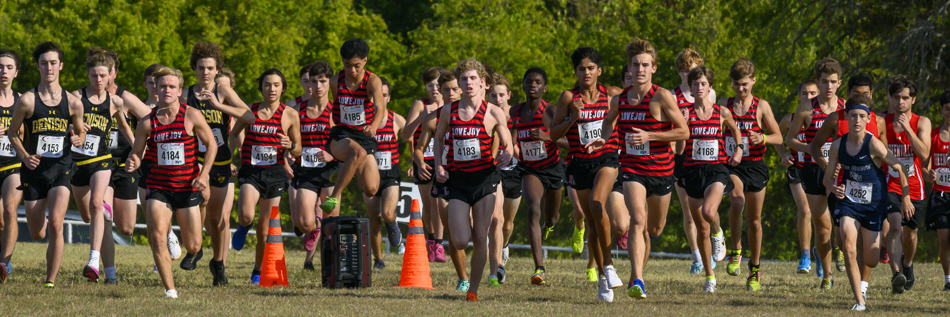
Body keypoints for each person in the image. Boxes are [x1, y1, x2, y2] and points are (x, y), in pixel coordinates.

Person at [601, 38, 688, 299]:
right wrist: (603, 140)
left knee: (655, 229)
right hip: (632, 169)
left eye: (645, 65)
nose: (639, 69)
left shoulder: (662, 96)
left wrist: (651, 136)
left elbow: (684, 130)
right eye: (635, 65)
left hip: (662, 170)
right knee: (636, 220)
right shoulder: (620, 100)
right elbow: (608, 122)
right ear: (629, 68)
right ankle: (637, 279)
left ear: (654, 68)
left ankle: (636, 275)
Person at [125, 66, 216, 298]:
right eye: (162, 86)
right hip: (158, 187)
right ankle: (170, 290)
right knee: (157, 235)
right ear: (155, 89)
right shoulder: (146, 122)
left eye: (171, 86)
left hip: (186, 187)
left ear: (179, 91)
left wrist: (204, 174)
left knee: (194, 245)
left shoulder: (192, 115)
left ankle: (194, 251)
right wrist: (133, 161)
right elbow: (137, 152)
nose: (166, 90)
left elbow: (212, 145)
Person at [433, 58, 513, 301]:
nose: (468, 83)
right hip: (458, 180)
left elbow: (508, 142)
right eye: (464, 79)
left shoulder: (493, 112)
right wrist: (438, 164)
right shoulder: (449, 110)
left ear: (483, 83)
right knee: (458, 240)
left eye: (472, 79)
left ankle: (473, 290)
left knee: (480, 236)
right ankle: (469, 280)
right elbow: (437, 139)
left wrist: (507, 153)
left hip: (484, 180)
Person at [7, 42, 86, 288]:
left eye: (53, 63)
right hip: (34, 171)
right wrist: (23, 156)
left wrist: (77, 138)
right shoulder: (27, 101)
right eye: (44, 63)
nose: (49, 68)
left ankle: (50, 280)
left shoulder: (73, 102)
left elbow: (82, 134)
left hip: (61, 167)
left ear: (60, 66)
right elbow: (12, 134)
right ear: (38, 66)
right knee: (36, 232)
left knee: (56, 223)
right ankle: (39, 234)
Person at [823, 95, 912, 311]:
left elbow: (899, 166)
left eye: (862, 116)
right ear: (846, 116)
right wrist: (834, 188)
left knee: (871, 259)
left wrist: (906, 196)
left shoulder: (874, 144)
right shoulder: (837, 146)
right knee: (849, 245)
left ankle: (874, 257)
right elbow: (827, 178)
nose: (857, 120)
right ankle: (859, 301)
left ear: (868, 118)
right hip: (849, 203)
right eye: (853, 116)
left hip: (873, 205)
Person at [549, 47, 624, 302]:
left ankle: (610, 265)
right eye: (581, 69)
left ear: (599, 71)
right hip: (578, 163)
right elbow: (553, 134)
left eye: (591, 68)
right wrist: (573, 117)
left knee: (596, 203)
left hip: (606, 159)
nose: (586, 72)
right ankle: (602, 276)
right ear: (576, 72)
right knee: (592, 224)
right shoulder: (568, 97)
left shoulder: (613, 95)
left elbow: (635, 113)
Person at [182, 42, 250, 287]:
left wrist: (219, 106)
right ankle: (195, 248)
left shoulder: (222, 89)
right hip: (194, 161)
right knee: (200, 202)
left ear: (218, 69)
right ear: (194, 68)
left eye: (210, 68)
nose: (205, 73)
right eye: (201, 68)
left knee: (216, 219)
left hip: (220, 160)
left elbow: (249, 115)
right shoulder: (186, 93)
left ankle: (218, 264)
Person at [808, 73, 885, 277]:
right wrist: (828, 168)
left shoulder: (879, 121)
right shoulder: (836, 118)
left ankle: (862, 285)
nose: (861, 99)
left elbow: (884, 157)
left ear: (872, 96)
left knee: (864, 243)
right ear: (848, 95)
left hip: (869, 189)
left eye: (865, 95)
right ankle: (834, 252)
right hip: (842, 186)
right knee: (843, 240)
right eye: (856, 94)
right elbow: (815, 146)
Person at [719, 58, 784, 291]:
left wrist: (763, 138)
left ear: (753, 81)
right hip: (732, 166)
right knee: (737, 201)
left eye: (745, 84)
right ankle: (736, 250)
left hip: (755, 166)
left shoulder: (762, 106)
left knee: (754, 221)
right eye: (736, 84)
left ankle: (754, 269)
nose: (741, 89)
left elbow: (779, 136)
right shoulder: (723, 105)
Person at [677, 65, 743, 293]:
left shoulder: (721, 112)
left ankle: (719, 231)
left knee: (708, 213)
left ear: (710, 86)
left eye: (703, 83)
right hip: (693, 171)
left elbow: (736, 130)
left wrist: (739, 150)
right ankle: (710, 276)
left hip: (717, 169)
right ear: (690, 87)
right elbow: (678, 149)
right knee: (700, 229)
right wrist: (682, 126)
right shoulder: (683, 111)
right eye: (695, 84)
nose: (699, 87)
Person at [69, 51, 133, 282]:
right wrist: (71, 130)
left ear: (109, 77)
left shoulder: (115, 101)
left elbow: (125, 127)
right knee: (88, 216)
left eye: (102, 75)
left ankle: (93, 260)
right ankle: (102, 213)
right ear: (87, 75)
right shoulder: (75, 98)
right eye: (94, 75)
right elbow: (61, 122)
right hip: (78, 163)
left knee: (97, 203)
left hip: (102, 161)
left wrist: (138, 151)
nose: (98, 79)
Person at [230, 68, 298, 284]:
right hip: (251, 172)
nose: (272, 89)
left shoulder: (290, 114)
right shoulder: (250, 111)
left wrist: (291, 145)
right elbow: (234, 133)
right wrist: (232, 157)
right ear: (261, 88)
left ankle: (257, 271)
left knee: (265, 229)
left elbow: (298, 148)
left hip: (275, 173)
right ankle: (242, 226)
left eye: (276, 85)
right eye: (267, 84)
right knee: (247, 215)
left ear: (283, 88)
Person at [96, 48, 157, 283]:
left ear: (113, 73)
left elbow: (152, 119)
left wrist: (139, 145)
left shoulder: (126, 97)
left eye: (107, 72)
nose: (102, 77)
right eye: (97, 72)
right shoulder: (83, 97)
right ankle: (108, 273)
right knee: (102, 215)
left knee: (127, 228)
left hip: (125, 164)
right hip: (99, 163)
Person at [786, 57, 847, 289]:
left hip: (841, 171)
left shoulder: (846, 108)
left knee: (843, 224)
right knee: (823, 229)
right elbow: (789, 139)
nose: (828, 86)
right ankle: (827, 275)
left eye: (833, 82)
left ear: (839, 83)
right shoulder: (806, 108)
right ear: (818, 83)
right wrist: (811, 149)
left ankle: (843, 255)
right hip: (814, 171)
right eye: (824, 82)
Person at [508, 67, 565, 286]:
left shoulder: (551, 111)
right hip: (530, 170)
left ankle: (548, 227)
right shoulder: (515, 112)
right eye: (529, 81)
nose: (533, 85)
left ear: (544, 87)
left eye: (538, 82)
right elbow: (511, 137)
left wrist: (547, 136)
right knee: (533, 209)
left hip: (553, 168)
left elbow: (571, 143)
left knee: (551, 218)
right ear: (523, 85)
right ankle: (539, 267)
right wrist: (507, 148)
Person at [414, 70, 470, 290]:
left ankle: (491, 270)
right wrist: (421, 163)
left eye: (455, 89)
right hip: (446, 179)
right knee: (454, 234)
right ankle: (463, 278)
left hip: (472, 178)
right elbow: (419, 149)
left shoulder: (473, 114)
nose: (450, 93)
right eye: (446, 89)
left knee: (475, 228)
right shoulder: (433, 118)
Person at [319, 38, 387, 214]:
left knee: (371, 190)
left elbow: (380, 108)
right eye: (348, 65)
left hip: (365, 135)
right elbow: (334, 108)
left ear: (365, 60)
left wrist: (373, 126)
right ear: (342, 62)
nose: (352, 70)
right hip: (342, 134)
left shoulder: (373, 81)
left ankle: (349, 167)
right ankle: (333, 198)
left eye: (357, 65)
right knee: (358, 153)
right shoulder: (335, 81)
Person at [881, 75, 930, 294]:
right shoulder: (881, 121)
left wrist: (908, 130)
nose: (900, 102)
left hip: (914, 185)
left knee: (910, 235)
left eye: (905, 98)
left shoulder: (922, 122)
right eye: (896, 97)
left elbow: (925, 155)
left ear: (913, 100)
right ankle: (896, 274)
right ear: (889, 99)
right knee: (894, 226)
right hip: (889, 183)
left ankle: (907, 265)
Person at [671, 48, 716, 274]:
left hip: (708, 159)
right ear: (680, 72)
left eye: (696, 71)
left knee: (709, 209)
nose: (692, 77)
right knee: (689, 211)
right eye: (687, 71)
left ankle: (716, 238)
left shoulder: (711, 93)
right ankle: (697, 256)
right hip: (683, 158)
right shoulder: (672, 97)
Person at [292, 61, 337, 270]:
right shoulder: (298, 109)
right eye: (313, 81)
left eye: (322, 81)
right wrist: (289, 154)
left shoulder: (336, 110)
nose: (318, 86)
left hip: (332, 173)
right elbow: (291, 140)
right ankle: (316, 224)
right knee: (304, 223)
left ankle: (330, 264)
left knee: (332, 220)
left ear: (330, 83)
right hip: (307, 172)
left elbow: (349, 142)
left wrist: (332, 154)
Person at [402, 67, 444, 263]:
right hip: (423, 159)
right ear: (425, 87)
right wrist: (422, 116)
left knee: (441, 202)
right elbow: (405, 135)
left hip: (444, 159)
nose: (434, 89)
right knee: (429, 204)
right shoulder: (420, 104)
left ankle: (440, 244)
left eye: (437, 85)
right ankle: (431, 239)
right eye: (430, 85)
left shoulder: (449, 103)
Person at [779, 80, 819, 274]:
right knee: (804, 210)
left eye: (813, 93)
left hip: (818, 169)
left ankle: (821, 251)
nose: (808, 97)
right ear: (799, 96)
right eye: (805, 93)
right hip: (797, 169)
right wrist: (783, 155)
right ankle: (805, 256)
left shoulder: (825, 119)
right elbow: (777, 136)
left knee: (822, 215)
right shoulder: (790, 119)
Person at [364, 77, 404, 270]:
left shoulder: (396, 119)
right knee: (374, 219)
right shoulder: (363, 120)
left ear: (388, 98)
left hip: (390, 173)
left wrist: (415, 159)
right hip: (369, 174)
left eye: (383, 95)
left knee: (387, 214)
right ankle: (378, 260)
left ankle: (393, 224)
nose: (377, 99)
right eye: (372, 95)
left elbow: (411, 136)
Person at [488, 72, 524, 284]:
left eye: (501, 95)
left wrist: (513, 150)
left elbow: (520, 145)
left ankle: (504, 245)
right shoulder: (485, 115)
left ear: (509, 95)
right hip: (494, 172)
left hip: (515, 171)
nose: (498, 99)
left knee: (508, 224)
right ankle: (498, 265)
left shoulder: (516, 116)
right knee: (497, 218)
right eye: (493, 95)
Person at [923, 91, 950, 292]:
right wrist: (928, 175)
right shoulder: (933, 135)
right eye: (947, 109)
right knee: (944, 238)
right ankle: (948, 279)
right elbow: (924, 166)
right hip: (940, 195)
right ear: (941, 110)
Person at [0, 48, 21, 283]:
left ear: (16, 72)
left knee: (10, 211)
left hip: (14, 165)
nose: (3, 71)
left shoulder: (22, 100)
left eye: (8, 67)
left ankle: (4, 263)